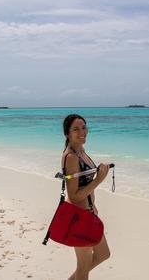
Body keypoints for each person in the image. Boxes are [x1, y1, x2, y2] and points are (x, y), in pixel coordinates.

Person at [62, 114, 111, 280]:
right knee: (83, 266)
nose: (81, 132)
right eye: (76, 129)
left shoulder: (80, 150)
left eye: (83, 127)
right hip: (79, 217)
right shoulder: (71, 157)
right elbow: (74, 196)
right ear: (67, 133)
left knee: (103, 254)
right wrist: (99, 179)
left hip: (89, 214)